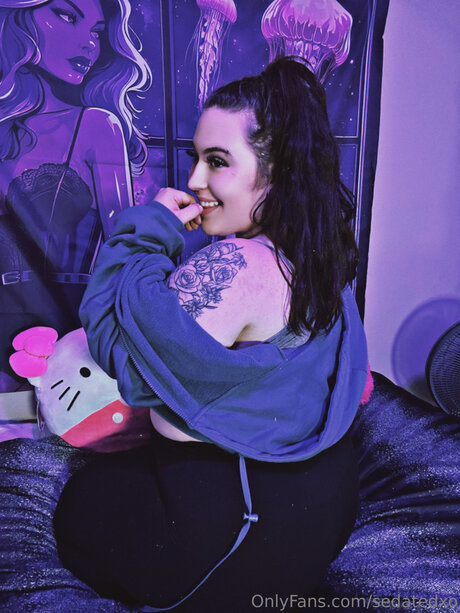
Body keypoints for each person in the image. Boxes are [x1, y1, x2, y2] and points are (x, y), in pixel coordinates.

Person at [53, 57, 368, 612]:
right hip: (312, 514)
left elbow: (115, 349)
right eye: (195, 159)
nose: (195, 181)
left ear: (280, 171)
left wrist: (148, 230)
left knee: (79, 503)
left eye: (217, 162)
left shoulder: (234, 265)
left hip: (233, 535)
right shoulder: (322, 257)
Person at [0, 0, 150, 394]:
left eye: (98, 33)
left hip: (66, 335)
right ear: (20, 16)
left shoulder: (97, 126)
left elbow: (125, 249)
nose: (89, 43)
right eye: (67, 16)